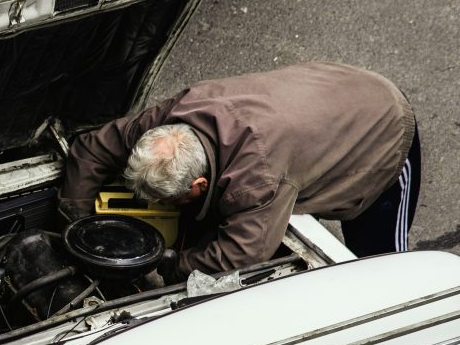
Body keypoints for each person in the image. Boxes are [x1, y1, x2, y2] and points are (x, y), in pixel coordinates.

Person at [60, 61, 420, 281]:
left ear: (200, 184)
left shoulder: (256, 180)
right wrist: (74, 219)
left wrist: (171, 264)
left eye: (170, 199)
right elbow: (93, 147)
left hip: (381, 128)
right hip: (321, 92)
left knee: (379, 267)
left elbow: (241, 256)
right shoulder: (172, 118)